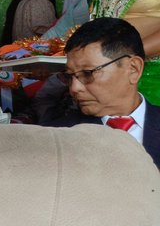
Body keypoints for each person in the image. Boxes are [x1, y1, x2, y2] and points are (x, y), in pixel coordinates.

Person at [42, 18, 160, 168]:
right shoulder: (55, 137)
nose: (74, 88)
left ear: (133, 69)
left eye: (87, 73)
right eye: (70, 76)